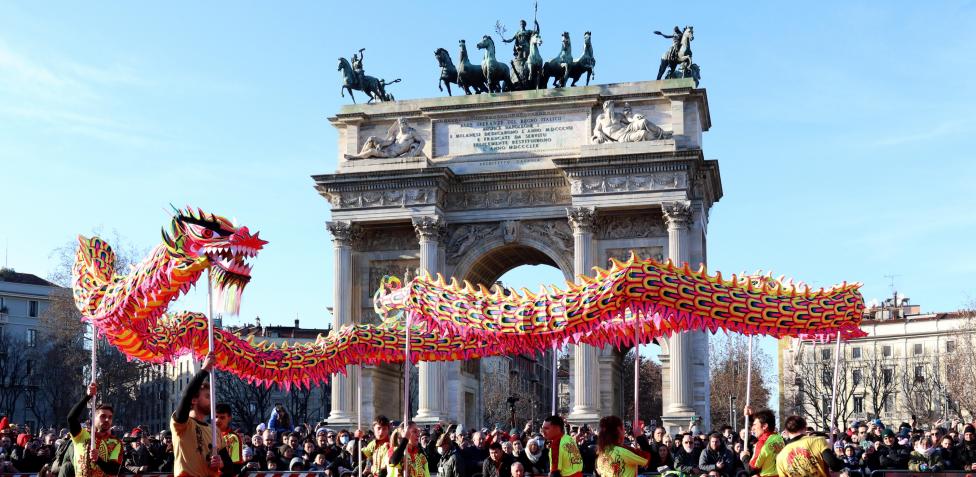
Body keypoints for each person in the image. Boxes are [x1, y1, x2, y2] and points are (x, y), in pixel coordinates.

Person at [172, 353, 222, 477]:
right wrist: (204, 370)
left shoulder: (215, 431)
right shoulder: (182, 425)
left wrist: (221, 463)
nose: (212, 401)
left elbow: (230, 467)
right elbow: (186, 395)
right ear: (194, 400)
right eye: (207, 396)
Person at [67, 382, 123, 477]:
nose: (107, 420)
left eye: (110, 417)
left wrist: (98, 460)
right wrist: (87, 396)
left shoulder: (116, 442)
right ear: (93, 417)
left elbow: (114, 470)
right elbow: (71, 418)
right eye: (103, 416)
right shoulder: (81, 435)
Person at [775, 416, 843, 477]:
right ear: (805, 428)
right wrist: (842, 460)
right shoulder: (818, 441)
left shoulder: (780, 456)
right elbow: (835, 465)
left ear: (786, 432)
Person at [740, 407, 783, 477]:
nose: (752, 428)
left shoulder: (762, 444)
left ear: (765, 426)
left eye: (754, 425)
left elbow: (751, 470)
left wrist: (744, 457)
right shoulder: (778, 437)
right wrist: (750, 417)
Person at [214, 404, 243, 477]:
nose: (217, 420)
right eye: (216, 416)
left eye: (222, 417)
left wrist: (222, 465)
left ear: (229, 418)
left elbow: (236, 467)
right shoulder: (207, 434)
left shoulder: (233, 438)